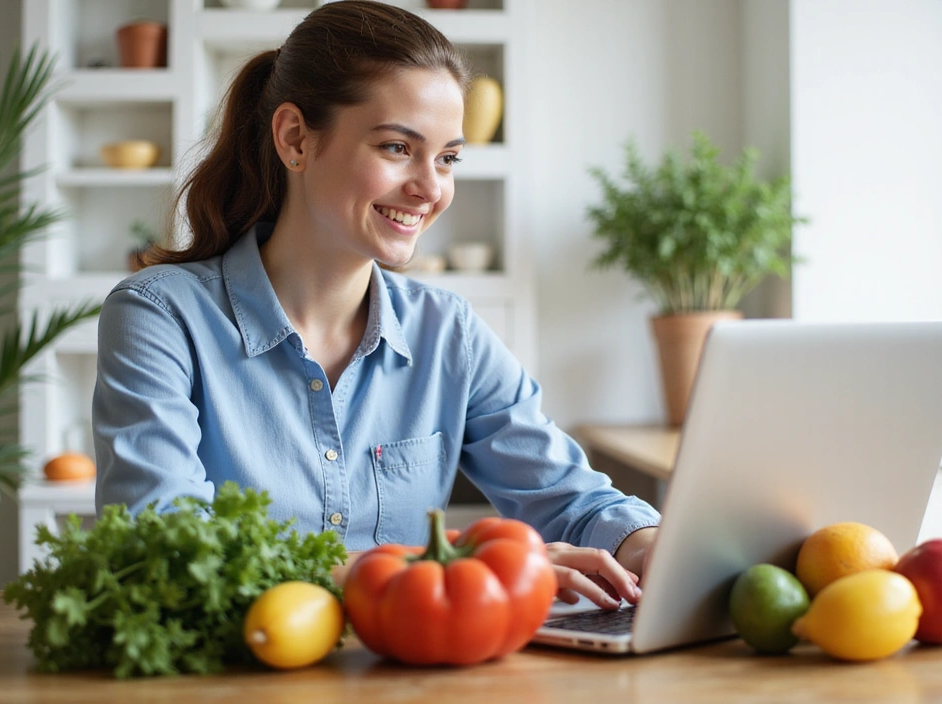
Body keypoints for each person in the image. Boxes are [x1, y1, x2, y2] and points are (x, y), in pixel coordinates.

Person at [92, 0, 659, 610]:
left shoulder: (448, 333)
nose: (431, 188)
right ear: (295, 139)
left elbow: (573, 499)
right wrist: (447, 566)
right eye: (396, 148)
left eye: (447, 158)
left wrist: (647, 544)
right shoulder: (159, 316)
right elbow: (162, 551)